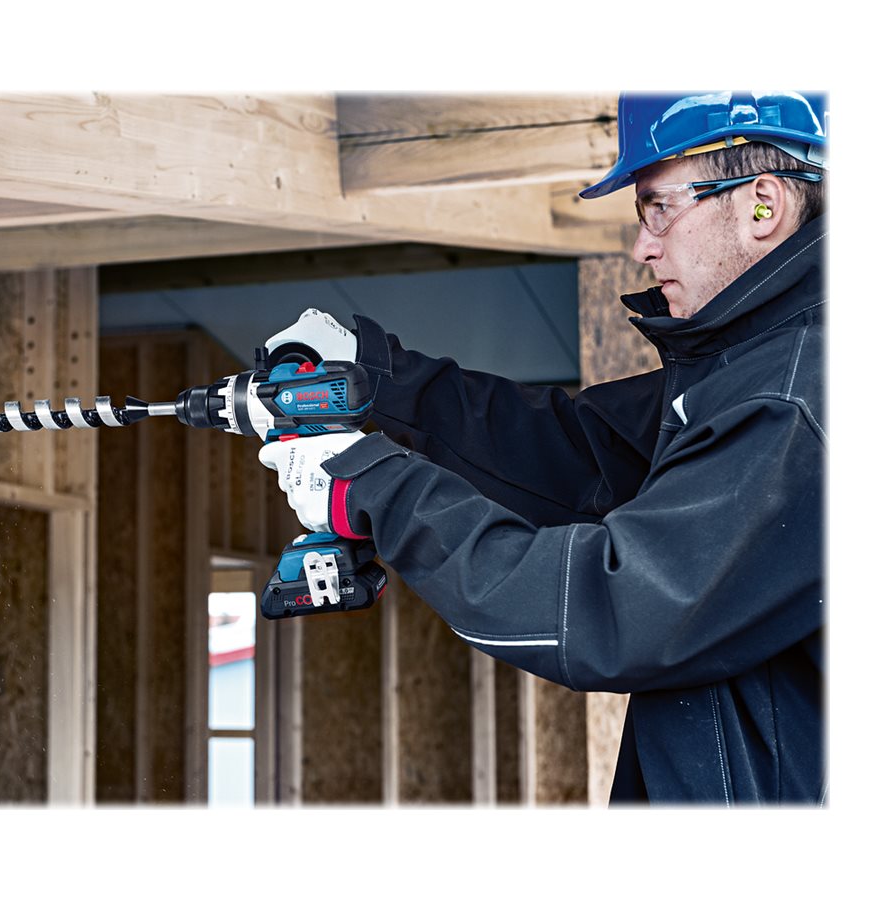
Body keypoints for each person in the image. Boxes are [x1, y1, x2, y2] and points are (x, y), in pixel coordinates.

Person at [257, 91, 827, 805]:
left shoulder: (794, 404)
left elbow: (614, 608)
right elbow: (580, 453)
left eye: (659, 208)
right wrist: (381, 381)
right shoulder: (754, 368)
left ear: (763, 206)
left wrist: (371, 487)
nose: (643, 246)